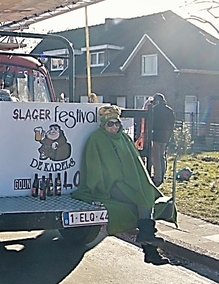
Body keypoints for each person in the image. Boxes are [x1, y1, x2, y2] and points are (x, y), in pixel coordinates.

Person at [72, 105, 176, 265]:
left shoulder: (125, 139)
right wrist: (103, 184)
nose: (114, 127)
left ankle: (148, 244)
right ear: (103, 124)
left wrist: (142, 181)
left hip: (129, 182)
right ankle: (149, 245)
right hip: (110, 185)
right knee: (142, 201)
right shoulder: (96, 139)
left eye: (116, 124)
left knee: (145, 195)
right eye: (110, 124)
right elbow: (93, 167)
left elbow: (135, 163)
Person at [150, 93, 175, 186]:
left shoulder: (155, 110)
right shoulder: (169, 110)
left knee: (155, 157)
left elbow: (151, 122)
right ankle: (163, 175)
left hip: (156, 135)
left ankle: (157, 177)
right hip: (166, 135)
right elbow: (172, 123)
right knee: (162, 156)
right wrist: (169, 136)